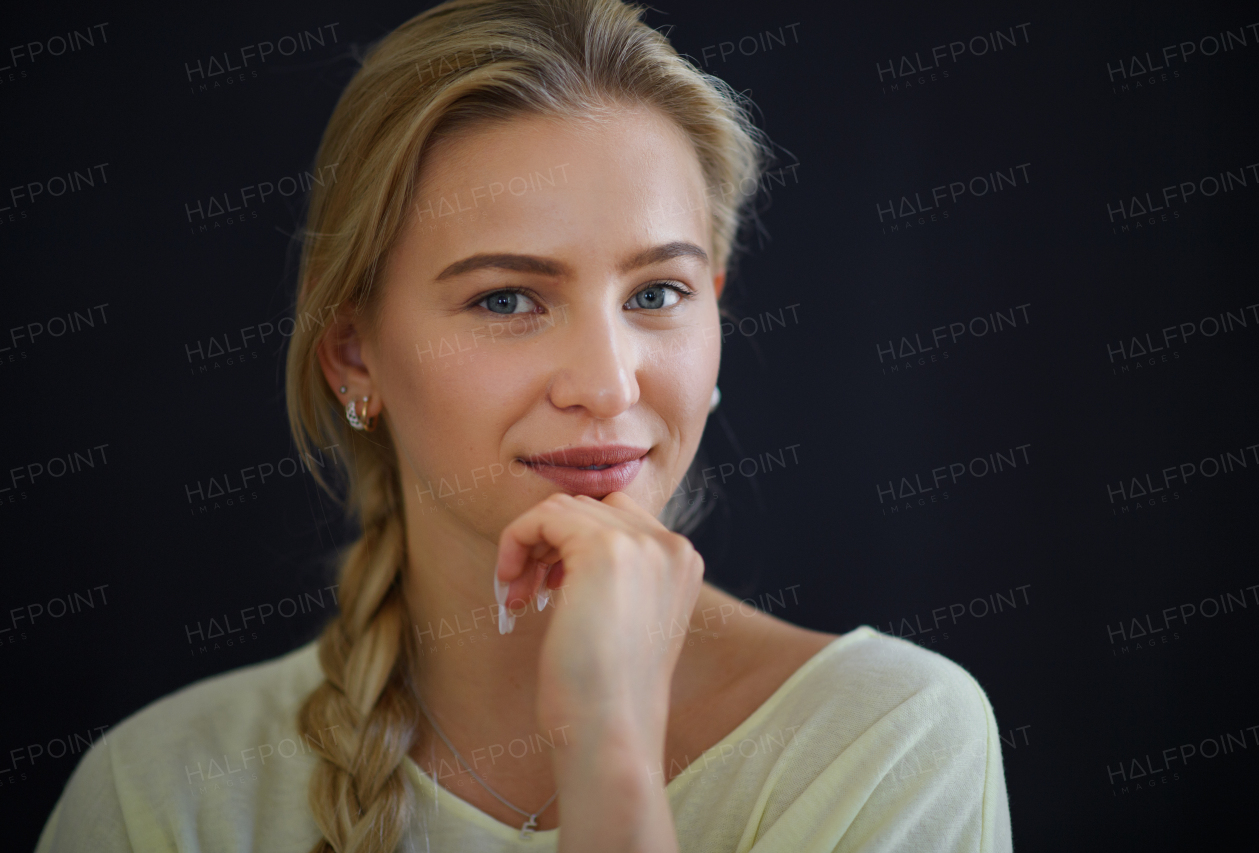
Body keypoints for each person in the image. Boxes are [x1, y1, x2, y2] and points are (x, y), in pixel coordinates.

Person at [34, 0, 1012, 850]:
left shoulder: (887, 740)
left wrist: (605, 744)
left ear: (714, 305)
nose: (604, 381)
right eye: (506, 300)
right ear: (354, 356)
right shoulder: (162, 792)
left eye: (657, 291)